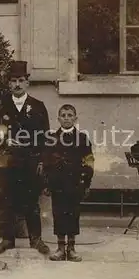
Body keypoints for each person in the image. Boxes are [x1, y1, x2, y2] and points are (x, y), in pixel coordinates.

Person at [0, 60, 50, 255]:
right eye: (13, 80)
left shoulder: (38, 107)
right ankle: (8, 239)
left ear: (27, 83)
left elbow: (45, 136)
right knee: (6, 200)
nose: (17, 84)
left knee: (31, 201)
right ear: (9, 83)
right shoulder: (2, 108)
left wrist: (42, 160)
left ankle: (36, 239)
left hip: (30, 160)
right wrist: (1, 140)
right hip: (8, 161)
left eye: (21, 80)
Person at [44, 104, 94, 262]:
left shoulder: (82, 138)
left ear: (75, 118)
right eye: (63, 115)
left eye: (70, 115)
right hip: (57, 183)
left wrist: (86, 182)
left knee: (73, 214)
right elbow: (46, 162)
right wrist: (46, 183)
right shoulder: (52, 138)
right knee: (58, 213)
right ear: (58, 118)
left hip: (75, 183)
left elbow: (89, 161)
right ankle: (60, 248)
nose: (66, 118)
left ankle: (71, 248)